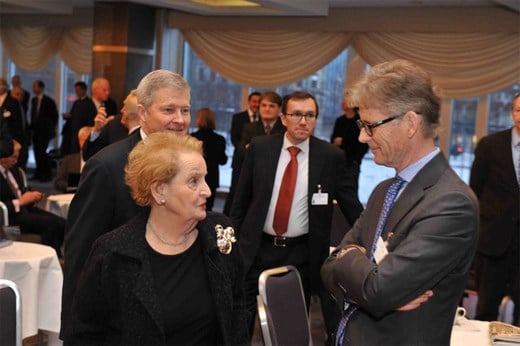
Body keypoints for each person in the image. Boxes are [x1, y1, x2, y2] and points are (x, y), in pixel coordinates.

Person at [321, 59, 479, 346]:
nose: (361, 136)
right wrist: (357, 268)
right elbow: (328, 269)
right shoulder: (385, 190)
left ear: (410, 123)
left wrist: (348, 259)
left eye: (370, 126)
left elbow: (380, 290)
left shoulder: (451, 203)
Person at [65, 132, 248, 345]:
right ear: (160, 189)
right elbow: (83, 335)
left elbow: (236, 313)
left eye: (205, 179)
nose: (207, 190)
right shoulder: (113, 253)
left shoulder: (220, 234)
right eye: (193, 181)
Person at [61, 69, 192, 339]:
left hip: (178, 313)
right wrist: (75, 331)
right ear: (142, 113)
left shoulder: (191, 162)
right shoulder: (108, 167)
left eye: (185, 110)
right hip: (121, 318)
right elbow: (80, 253)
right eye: (169, 110)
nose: (180, 120)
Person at [230, 91, 363, 341]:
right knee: (240, 322)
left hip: (300, 255)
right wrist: (233, 241)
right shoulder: (260, 147)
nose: (303, 121)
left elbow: (350, 203)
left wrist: (374, 235)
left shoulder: (330, 157)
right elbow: (241, 198)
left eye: (310, 115)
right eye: (297, 115)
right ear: (283, 118)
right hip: (256, 248)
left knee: (290, 327)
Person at [470, 93, 520, 326]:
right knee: (486, 310)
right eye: (518, 109)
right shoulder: (490, 145)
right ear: (512, 113)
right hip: (494, 241)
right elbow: (474, 192)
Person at [224, 91, 286, 215]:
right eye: (264, 105)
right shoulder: (249, 127)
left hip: (276, 181)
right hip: (252, 178)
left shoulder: (285, 130)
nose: (267, 109)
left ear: (279, 109)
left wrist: (255, 148)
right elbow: (242, 150)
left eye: (271, 106)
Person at [0, 140, 65, 257]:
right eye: (13, 157)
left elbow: (22, 192)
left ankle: (57, 256)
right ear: (3, 157)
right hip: (9, 221)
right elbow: (2, 208)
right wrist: (20, 202)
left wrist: (32, 197)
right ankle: (50, 258)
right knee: (49, 224)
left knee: (62, 222)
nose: (16, 161)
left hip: (25, 210)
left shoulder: (14, 170)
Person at [223, 91, 261, 215]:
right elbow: (234, 138)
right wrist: (246, 151)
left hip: (257, 163)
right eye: (254, 101)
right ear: (249, 102)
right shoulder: (238, 117)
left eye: (259, 102)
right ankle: (227, 217)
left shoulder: (263, 120)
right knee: (234, 191)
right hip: (240, 161)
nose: (256, 104)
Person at [82, 90, 140, 161]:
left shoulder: (151, 130)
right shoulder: (113, 124)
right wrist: (96, 130)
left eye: (125, 107)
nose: (121, 110)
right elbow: (88, 155)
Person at [330, 89, 368, 195]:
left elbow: (364, 143)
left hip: (352, 163)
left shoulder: (360, 122)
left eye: (345, 101)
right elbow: (332, 139)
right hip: (338, 163)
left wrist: (356, 159)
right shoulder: (339, 120)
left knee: (350, 192)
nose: (342, 103)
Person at [191, 107, 228, 211]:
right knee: (208, 207)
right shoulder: (220, 139)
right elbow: (223, 161)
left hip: (195, 176)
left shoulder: (192, 138)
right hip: (212, 176)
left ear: (199, 119)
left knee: (194, 205)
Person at [30, 80, 59, 182]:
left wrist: (51, 129)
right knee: (36, 152)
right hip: (36, 131)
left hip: (45, 132)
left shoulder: (48, 101)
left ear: (41, 88)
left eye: (35, 86)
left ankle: (46, 175)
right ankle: (38, 173)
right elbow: (33, 115)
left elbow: (54, 116)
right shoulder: (33, 100)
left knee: (43, 153)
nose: (34, 88)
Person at [60, 81, 94, 156]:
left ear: (84, 90)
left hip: (82, 132)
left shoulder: (89, 103)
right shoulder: (76, 102)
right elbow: (73, 115)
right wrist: (68, 116)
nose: (76, 92)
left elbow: (90, 119)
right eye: (75, 90)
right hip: (73, 132)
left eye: (78, 90)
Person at [54, 126, 92, 192]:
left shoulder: (101, 161)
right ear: (80, 141)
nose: (88, 144)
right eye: (85, 140)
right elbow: (58, 183)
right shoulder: (68, 160)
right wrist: (76, 186)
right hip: (71, 197)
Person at [1, 80, 28, 170]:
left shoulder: (13, 102)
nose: (19, 97)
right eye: (16, 94)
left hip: (13, 137)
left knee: (16, 165)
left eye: (20, 94)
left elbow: (17, 121)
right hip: (8, 139)